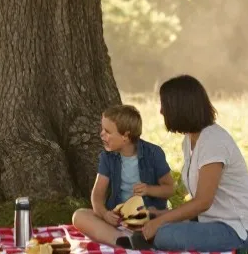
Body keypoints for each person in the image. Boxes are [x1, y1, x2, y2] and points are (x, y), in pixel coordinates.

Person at [131, 74, 248, 254]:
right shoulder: (189, 141)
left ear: (180, 107)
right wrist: (161, 215)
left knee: (163, 234)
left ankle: (152, 238)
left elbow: (203, 201)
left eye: (165, 104)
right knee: (153, 222)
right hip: (212, 222)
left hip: (241, 232)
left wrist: (161, 222)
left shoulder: (213, 141)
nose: (161, 111)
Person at [71, 104, 175, 246]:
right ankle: (123, 240)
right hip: (120, 221)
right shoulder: (107, 157)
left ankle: (137, 238)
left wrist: (149, 189)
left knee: (173, 217)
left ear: (125, 136)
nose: (102, 134)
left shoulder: (154, 153)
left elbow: (170, 189)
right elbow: (97, 196)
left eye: (107, 131)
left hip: (150, 218)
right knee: (79, 215)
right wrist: (104, 214)